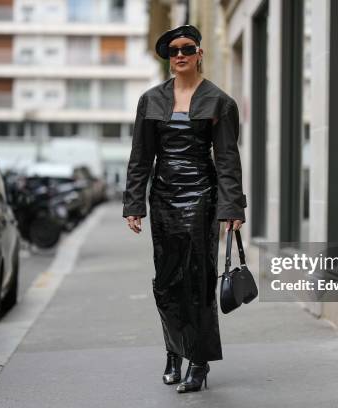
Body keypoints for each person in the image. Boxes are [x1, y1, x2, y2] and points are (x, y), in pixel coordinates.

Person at [122, 24, 247, 393]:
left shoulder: (220, 101)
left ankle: (199, 362)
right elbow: (140, 157)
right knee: (166, 283)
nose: (180, 55)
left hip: (202, 197)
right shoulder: (150, 100)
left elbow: (227, 160)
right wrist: (134, 204)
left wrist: (232, 206)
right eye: (173, 50)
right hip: (162, 198)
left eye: (187, 48)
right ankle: (173, 351)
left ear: (199, 53)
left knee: (198, 281)